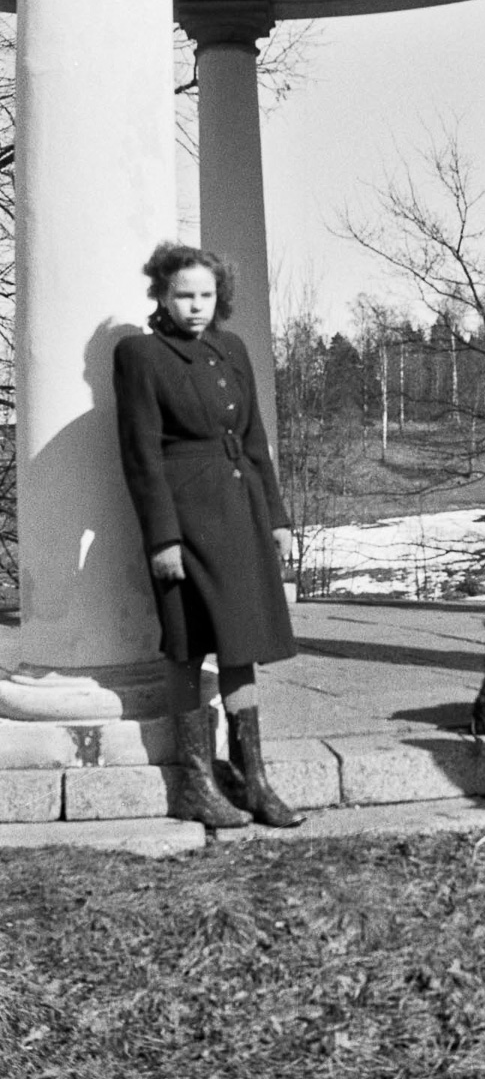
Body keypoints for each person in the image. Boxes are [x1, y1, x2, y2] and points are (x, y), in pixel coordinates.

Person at [113, 241, 300, 829]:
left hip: (239, 515)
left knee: (242, 645)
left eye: (206, 295)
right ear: (162, 296)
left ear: (220, 298)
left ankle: (253, 779)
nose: (195, 306)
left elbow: (253, 441)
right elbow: (141, 454)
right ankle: (195, 783)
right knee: (189, 644)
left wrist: (276, 518)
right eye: (183, 295)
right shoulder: (140, 354)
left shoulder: (234, 348)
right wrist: (161, 538)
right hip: (185, 522)